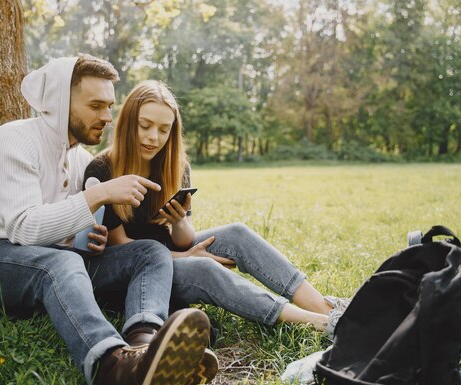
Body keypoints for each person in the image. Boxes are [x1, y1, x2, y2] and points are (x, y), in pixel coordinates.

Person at [0, 56, 213, 385]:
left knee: (148, 252)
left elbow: (68, 230)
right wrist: (97, 195)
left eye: (109, 106)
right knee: (61, 262)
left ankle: (145, 350)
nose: (107, 116)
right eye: (95, 105)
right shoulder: (14, 139)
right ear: (59, 103)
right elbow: (23, 228)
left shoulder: (81, 159)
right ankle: (115, 371)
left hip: (55, 258)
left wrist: (91, 238)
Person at [83, 80, 349, 339]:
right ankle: (318, 323)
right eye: (145, 126)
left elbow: (183, 238)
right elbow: (123, 248)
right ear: (129, 122)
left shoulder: (175, 167)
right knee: (204, 269)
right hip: (138, 273)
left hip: (171, 251)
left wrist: (178, 224)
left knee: (236, 234)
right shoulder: (102, 170)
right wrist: (187, 257)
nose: (154, 137)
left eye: (164, 130)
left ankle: (325, 307)